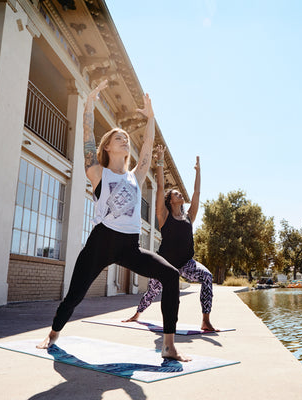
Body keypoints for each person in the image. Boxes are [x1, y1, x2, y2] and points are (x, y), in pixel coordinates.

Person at [37, 80, 190, 362]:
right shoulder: (97, 173)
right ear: (107, 146)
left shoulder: (135, 176)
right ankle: (54, 332)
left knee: (170, 275)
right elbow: (86, 134)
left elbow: (146, 145)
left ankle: (168, 345)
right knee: (74, 296)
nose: (125, 139)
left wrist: (151, 117)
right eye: (118, 137)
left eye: (125, 138)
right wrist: (89, 105)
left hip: (130, 246)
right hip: (101, 242)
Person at [122, 145, 218, 332]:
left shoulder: (189, 216)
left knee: (207, 276)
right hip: (165, 265)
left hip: (186, 263)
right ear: (170, 200)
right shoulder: (163, 216)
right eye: (176, 193)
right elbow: (159, 187)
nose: (180, 194)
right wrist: (159, 161)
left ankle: (206, 320)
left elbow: (197, 194)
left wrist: (198, 172)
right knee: (152, 292)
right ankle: (137, 314)